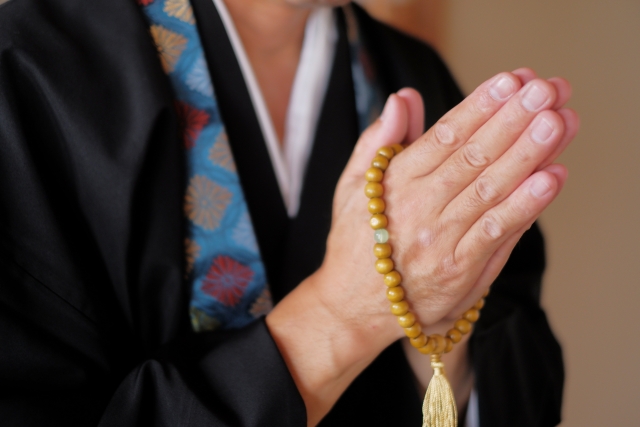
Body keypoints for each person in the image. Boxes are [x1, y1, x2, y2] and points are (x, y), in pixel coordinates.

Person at [0, 0, 577, 425]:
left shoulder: (413, 75)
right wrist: (345, 315)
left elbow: (521, 374)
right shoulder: (28, 73)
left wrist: (443, 331)